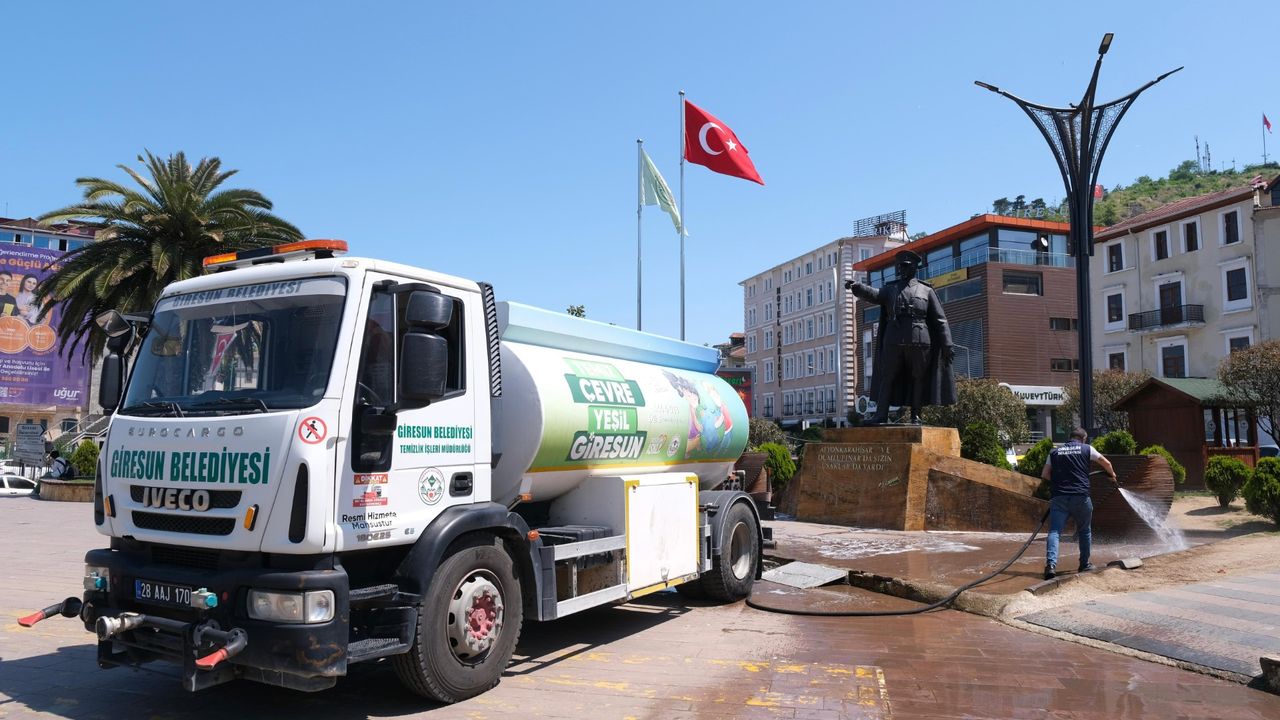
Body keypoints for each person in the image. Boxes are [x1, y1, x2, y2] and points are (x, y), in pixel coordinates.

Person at [844, 249, 956, 424]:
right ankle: (881, 415)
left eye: (905, 266)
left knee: (918, 378)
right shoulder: (891, 289)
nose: (901, 270)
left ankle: (916, 415)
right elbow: (874, 294)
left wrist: (947, 344)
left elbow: (940, 320)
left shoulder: (926, 291)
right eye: (899, 267)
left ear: (914, 268)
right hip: (894, 341)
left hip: (920, 341)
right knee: (887, 377)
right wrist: (857, 287)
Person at [1040, 427, 1117, 580]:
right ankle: (1084, 564)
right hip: (1080, 497)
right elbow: (1105, 462)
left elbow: (1044, 475)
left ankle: (1051, 566)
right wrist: (1112, 474)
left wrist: (1059, 483)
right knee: (1084, 531)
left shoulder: (1054, 452)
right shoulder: (1086, 448)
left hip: (1059, 497)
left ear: (1069, 438)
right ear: (1083, 438)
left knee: (1055, 531)